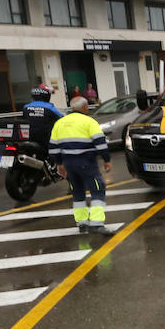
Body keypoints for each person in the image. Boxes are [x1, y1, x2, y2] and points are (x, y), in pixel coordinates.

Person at [49, 97, 113, 234]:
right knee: (97, 189)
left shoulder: (60, 123)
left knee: (77, 192)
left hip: (68, 164)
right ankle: (96, 223)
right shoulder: (89, 122)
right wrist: (107, 160)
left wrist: (59, 164)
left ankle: (82, 223)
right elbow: (100, 143)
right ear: (84, 107)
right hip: (86, 162)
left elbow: (53, 147)